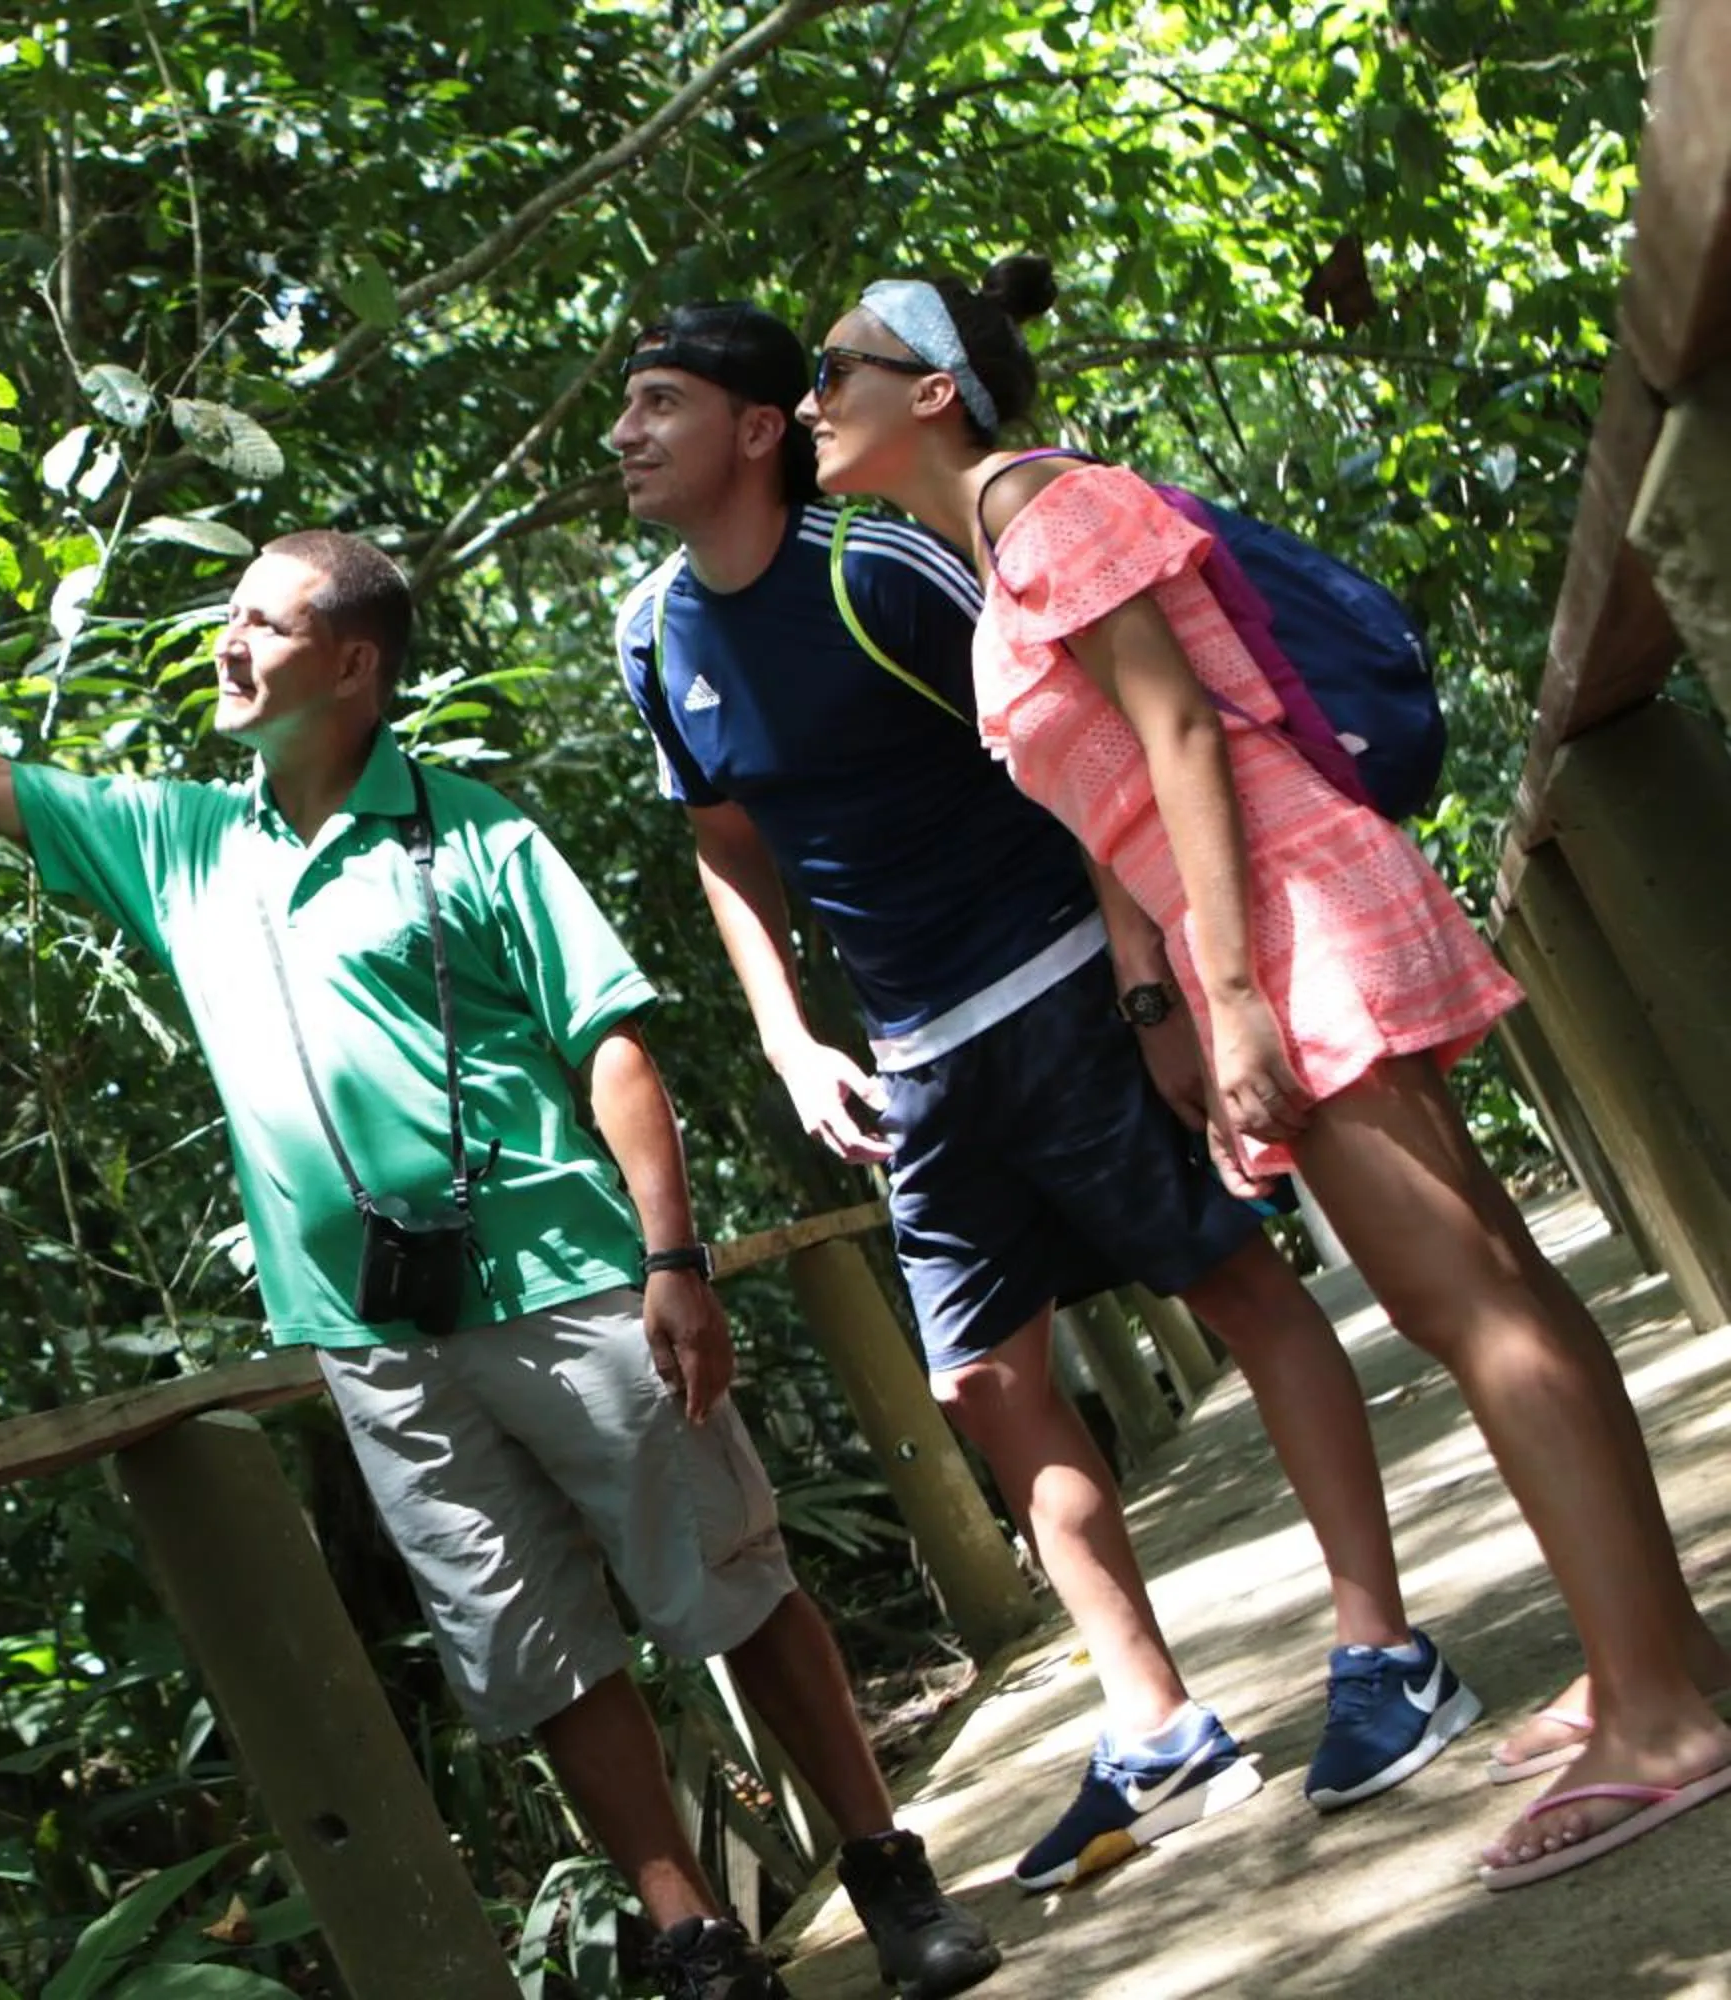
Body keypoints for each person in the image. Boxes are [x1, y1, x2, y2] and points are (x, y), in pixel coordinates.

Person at [0, 533, 1000, 2000]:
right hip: (370, 1339)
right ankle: (695, 1936)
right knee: (534, 1650)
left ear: (352, 664)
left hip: (568, 1287)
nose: (227, 643)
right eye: (228, 616)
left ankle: (885, 1869)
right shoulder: (184, 844)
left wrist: (672, 1255)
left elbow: (609, 1042)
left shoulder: (472, 833)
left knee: (728, 1586)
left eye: (263, 622)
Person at [793, 255, 1731, 1890]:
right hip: (1266, 913)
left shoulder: (1038, 507)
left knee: (1467, 1300)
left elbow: (1179, 741)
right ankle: (1658, 1653)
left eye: (832, 370)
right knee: (1483, 1288)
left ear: (933, 389)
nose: (809, 402)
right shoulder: (993, 542)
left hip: (1291, 915)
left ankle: (1662, 1710)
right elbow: (1124, 790)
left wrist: (1227, 1003)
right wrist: (1181, 983)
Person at [608, 302, 1480, 1897]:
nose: (624, 436)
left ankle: (1382, 1650)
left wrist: (1150, 982)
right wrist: (794, 1037)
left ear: (749, 432)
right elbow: (728, 849)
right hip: (917, 1058)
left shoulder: (880, 569)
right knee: (982, 1385)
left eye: (659, 403)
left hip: (1065, 979)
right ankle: (1154, 1725)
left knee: (1231, 1280)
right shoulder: (655, 631)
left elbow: (1068, 732)